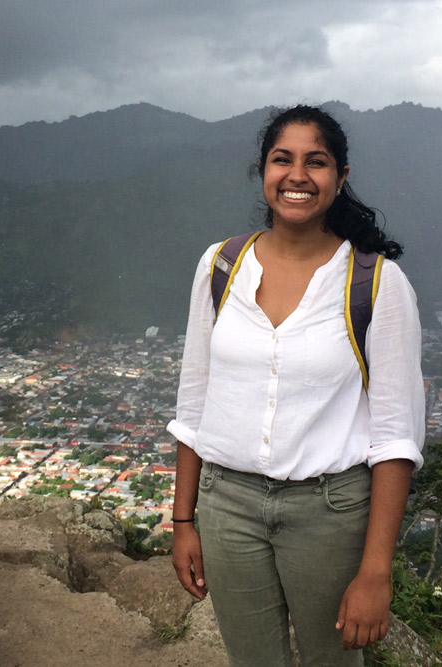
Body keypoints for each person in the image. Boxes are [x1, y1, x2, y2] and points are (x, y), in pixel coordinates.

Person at [168, 105, 424, 667]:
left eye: (317, 162)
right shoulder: (220, 266)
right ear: (263, 170)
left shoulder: (376, 282)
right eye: (283, 159)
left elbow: (395, 438)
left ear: (341, 176)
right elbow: (194, 404)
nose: (298, 176)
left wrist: (376, 571)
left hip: (328, 512)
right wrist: (183, 520)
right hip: (226, 505)